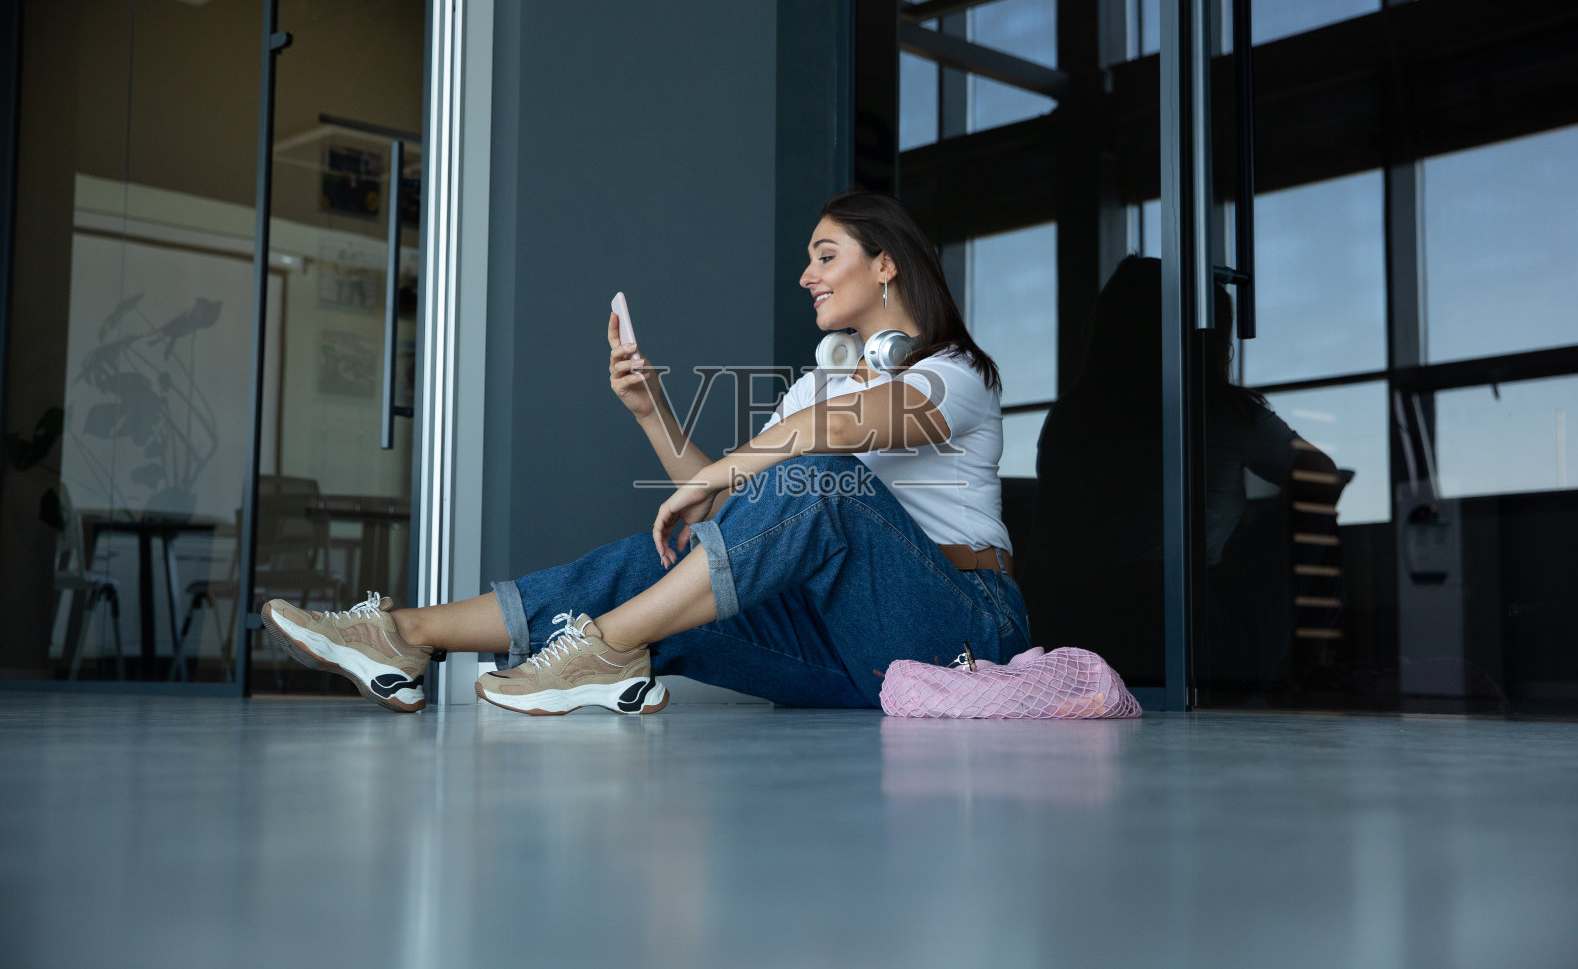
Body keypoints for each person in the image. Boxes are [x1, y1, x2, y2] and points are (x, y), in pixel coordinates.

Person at [260, 189, 1031, 714]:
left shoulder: (953, 374)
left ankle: (605, 649)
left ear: (886, 261)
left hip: (960, 636)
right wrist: (651, 409)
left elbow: (837, 439)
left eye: (826, 255)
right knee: (673, 561)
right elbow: (734, 522)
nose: (806, 275)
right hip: (850, 654)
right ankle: (403, 636)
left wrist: (739, 466)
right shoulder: (814, 390)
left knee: (823, 479)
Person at [1028, 256, 1341, 684]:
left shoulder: (1068, 418)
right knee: (1314, 517)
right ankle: (1310, 675)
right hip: (1199, 635)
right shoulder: (1217, 410)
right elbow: (1322, 477)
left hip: (1089, 638)